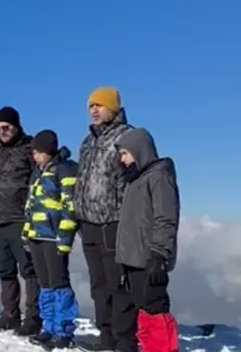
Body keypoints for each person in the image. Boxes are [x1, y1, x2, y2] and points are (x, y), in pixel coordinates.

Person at [75, 87, 137, 352]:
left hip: (114, 223)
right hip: (88, 224)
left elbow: (135, 180)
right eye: (91, 106)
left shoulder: (128, 137)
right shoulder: (87, 141)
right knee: (99, 286)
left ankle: (125, 342)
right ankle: (106, 337)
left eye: (99, 105)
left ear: (113, 107)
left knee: (119, 285)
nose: (94, 110)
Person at [115, 128, 180, 352]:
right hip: (133, 260)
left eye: (125, 153)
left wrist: (159, 254)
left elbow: (166, 217)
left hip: (150, 259)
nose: (122, 159)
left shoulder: (159, 177)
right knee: (143, 313)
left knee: (155, 312)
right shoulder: (134, 180)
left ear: (139, 151)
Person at [0, 106, 41, 335]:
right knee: (4, 270)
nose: (1, 132)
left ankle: (34, 317)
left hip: (20, 219)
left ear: (16, 126)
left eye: (6, 127)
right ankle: (10, 315)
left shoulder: (29, 149)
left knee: (29, 270)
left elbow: (38, 182)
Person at [23, 130, 80, 349]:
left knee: (59, 283)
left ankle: (63, 330)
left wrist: (64, 238)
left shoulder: (64, 170)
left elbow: (70, 205)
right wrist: (27, 232)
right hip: (37, 235)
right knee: (45, 284)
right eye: (34, 153)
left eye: (39, 152)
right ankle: (48, 327)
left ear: (49, 151)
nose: (35, 157)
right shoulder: (37, 173)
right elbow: (30, 205)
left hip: (53, 237)